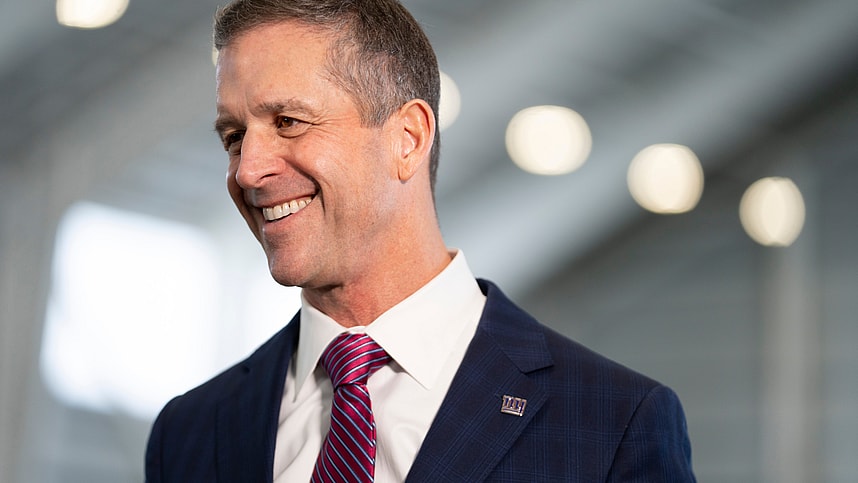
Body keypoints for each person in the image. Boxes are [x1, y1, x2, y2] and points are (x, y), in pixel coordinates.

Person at [145, 0, 696, 481]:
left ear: (407, 140)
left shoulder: (613, 424)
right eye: (234, 137)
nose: (247, 171)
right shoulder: (191, 432)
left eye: (288, 121)